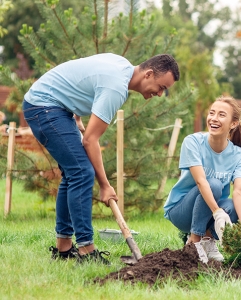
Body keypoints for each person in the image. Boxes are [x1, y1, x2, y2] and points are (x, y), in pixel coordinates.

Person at [22, 53, 180, 263]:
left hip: (55, 106)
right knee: (81, 172)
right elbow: (90, 141)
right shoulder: (116, 87)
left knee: (72, 174)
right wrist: (105, 186)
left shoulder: (122, 65)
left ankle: (64, 250)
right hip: (45, 106)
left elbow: (82, 76)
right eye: (161, 87)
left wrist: (77, 116)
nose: (160, 94)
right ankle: (86, 251)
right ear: (149, 74)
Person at [163, 96, 241, 263]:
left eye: (221, 115)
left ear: (233, 124)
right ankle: (194, 242)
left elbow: (239, 191)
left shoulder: (239, 155)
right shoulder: (193, 142)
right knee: (214, 184)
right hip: (182, 210)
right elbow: (201, 182)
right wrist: (217, 212)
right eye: (212, 113)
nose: (214, 118)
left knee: (233, 207)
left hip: (208, 211)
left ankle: (208, 240)